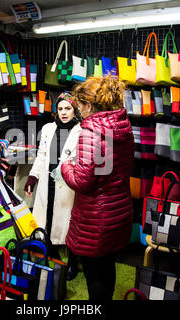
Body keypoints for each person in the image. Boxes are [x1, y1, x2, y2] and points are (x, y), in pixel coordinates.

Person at [61, 76, 135, 300]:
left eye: (80, 105)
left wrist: (66, 166)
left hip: (96, 217)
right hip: (118, 211)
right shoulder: (123, 126)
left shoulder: (91, 132)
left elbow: (83, 182)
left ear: (89, 105)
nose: (79, 110)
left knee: (94, 274)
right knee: (107, 265)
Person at [24, 91, 82, 280]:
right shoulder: (48, 128)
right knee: (47, 219)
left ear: (74, 110)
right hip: (47, 182)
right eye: (60, 108)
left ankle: (72, 263)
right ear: (55, 110)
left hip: (68, 184)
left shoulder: (81, 130)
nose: (64, 112)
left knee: (68, 224)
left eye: (68, 108)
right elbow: (41, 156)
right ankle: (53, 258)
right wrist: (33, 177)